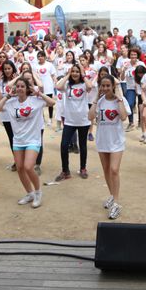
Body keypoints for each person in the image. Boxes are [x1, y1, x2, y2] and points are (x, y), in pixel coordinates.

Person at [0, 77, 55, 208]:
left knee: (28, 167)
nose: (20, 88)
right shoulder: (11, 102)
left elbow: (52, 102)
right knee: (20, 168)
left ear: (27, 88)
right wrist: (8, 96)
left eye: (23, 86)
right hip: (18, 140)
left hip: (33, 139)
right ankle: (29, 193)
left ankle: (38, 192)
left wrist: (39, 93)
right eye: (18, 86)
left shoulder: (35, 101)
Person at [88, 75, 129, 219]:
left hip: (116, 141)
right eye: (103, 86)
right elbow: (90, 117)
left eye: (107, 85)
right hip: (102, 140)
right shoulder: (99, 101)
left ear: (113, 86)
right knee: (106, 170)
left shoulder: (120, 101)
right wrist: (95, 99)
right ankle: (112, 195)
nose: (105, 88)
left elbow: (123, 117)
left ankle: (116, 203)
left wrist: (119, 99)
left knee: (114, 170)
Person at [55, 64, 93, 181]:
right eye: (73, 71)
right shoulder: (67, 85)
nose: (75, 73)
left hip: (83, 120)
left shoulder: (83, 84)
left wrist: (83, 74)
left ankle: (83, 168)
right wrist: (67, 75)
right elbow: (58, 86)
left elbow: (90, 86)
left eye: (77, 71)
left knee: (82, 145)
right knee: (64, 145)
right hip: (70, 120)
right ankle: (65, 170)